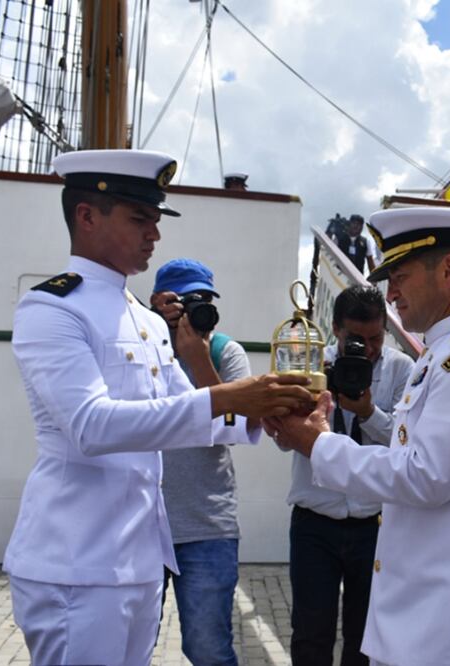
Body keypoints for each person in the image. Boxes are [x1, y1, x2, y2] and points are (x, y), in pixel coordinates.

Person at [4, 149, 312, 666]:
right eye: (139, 218)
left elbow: (195, 416)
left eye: (156, 219)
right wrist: (229, 397)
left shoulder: (145, 321)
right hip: (75, 563)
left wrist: (271, 407)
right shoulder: (52, 308)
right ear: (86, 216)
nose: (155, 233)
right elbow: (90, 427)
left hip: (139, 560)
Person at [268, 207, 450, 665]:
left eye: (401, 276)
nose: (391, 294)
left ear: (449, 270)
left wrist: (318, 442)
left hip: (445, 627)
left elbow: (425, 476)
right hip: (426, 617)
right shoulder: (443, 353)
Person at [281, 284, 413, 665]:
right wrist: (309, 409)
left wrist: (369, 411)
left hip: (373, 525)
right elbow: (285, 442)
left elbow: (406, 448)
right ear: (335, 328)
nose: (368, 349)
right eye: (356, 338)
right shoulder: (310, 366)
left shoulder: (402, 370)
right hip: (313, 523)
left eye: (376, 338)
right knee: (310, 632)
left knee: (366, 637)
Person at [150, 258, 251, 666]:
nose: (197, 312)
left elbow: (238, 427)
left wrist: (199, 360)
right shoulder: (138, 346)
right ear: (161, 304)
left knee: (208, 649)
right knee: (130, 643)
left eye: (205, 300)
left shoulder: (227, 352)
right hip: (144, 524)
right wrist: (153, 329)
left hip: (207, 525)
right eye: (185, 303)